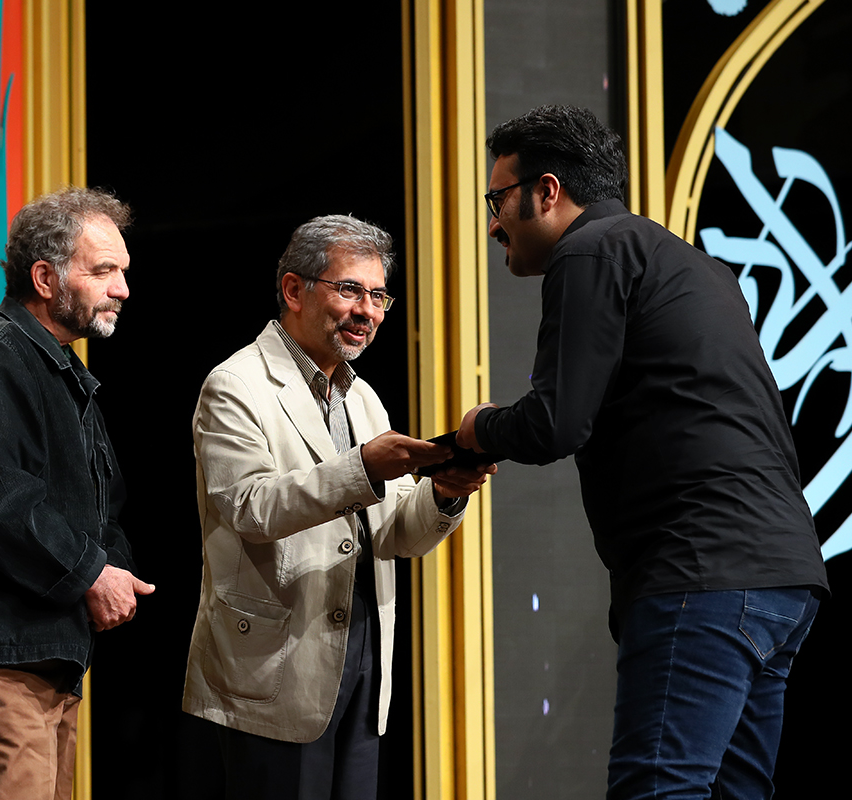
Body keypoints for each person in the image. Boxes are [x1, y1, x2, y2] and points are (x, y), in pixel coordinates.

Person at [457, 104, 830, 800]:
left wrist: (478, 429)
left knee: (657, 789)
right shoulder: (700, 267)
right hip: (785, 578)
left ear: (547, 191)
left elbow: (554, 424)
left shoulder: (591, 251)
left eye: (496, 200)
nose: (492, 225)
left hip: (701, 570)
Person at [184, 214, 495, 800]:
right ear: (294, 290)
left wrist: (445, 491)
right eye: (351, 289)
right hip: (276, 662)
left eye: (379, 296)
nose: (368, 311)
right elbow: (251, 507)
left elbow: (397, 535)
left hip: (363, 659)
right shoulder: (235, 384)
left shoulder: (363, 398)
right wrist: (364, 468)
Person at [0, 187, 150, 800]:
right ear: (45, 278)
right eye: (104, 271)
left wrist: (113, 570)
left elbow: (104, 508)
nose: (123, 289)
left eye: (123, 272)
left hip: (47, 657)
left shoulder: (66, 372)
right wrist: (91, 574)